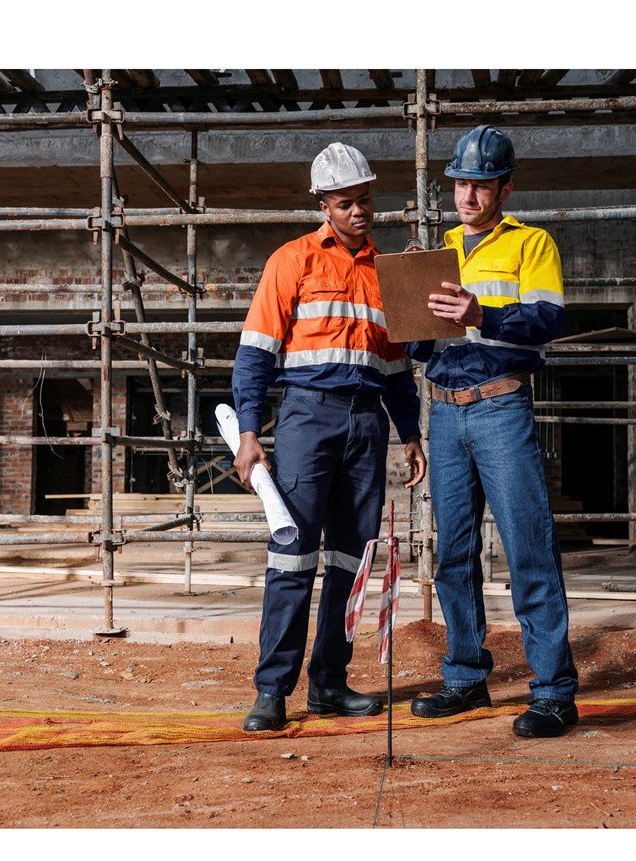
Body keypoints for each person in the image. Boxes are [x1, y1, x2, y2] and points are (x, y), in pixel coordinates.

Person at [232, 142, 427, 733]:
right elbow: (254, 357)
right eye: (346, 203)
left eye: (365, 200)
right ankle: (272, 692)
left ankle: (330, 684)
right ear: (324, 204)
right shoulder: (291, 262)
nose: (360, 212)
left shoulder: (385, 274)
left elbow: (395, 367)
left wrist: (411, 433)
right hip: (306, 420)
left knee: (351, 559)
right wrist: (248, 432)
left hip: (367, 424)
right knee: (292, 556)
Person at [408, 124, 579, 738]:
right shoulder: (440, 249)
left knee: (528, 548)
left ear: (504, 187)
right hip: (445, 412)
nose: (467, 196)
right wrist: (406, 323)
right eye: (459, 184)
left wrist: (482, 313)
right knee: (453, 553)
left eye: (480, 185)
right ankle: (465, 678)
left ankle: (555, 692)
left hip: (502, 409)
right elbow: (428, 345)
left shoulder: (531, 244)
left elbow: (547, 319)